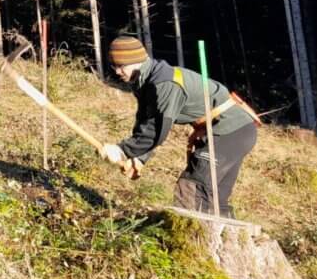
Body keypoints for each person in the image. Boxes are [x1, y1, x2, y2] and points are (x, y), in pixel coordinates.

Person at [101, 36, 261, 218]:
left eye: (120, 65)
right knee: (214, 199)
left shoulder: (164, 83)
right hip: (233, 132)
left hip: (230, 132)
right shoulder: (147, 82)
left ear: (135, 60)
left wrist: (123, 151)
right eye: (114, 66)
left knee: (193, 188)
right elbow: (146, 124)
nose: (117, 71)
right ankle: (224, 242)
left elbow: (156, 129)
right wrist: (138, 158)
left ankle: (194, 242)